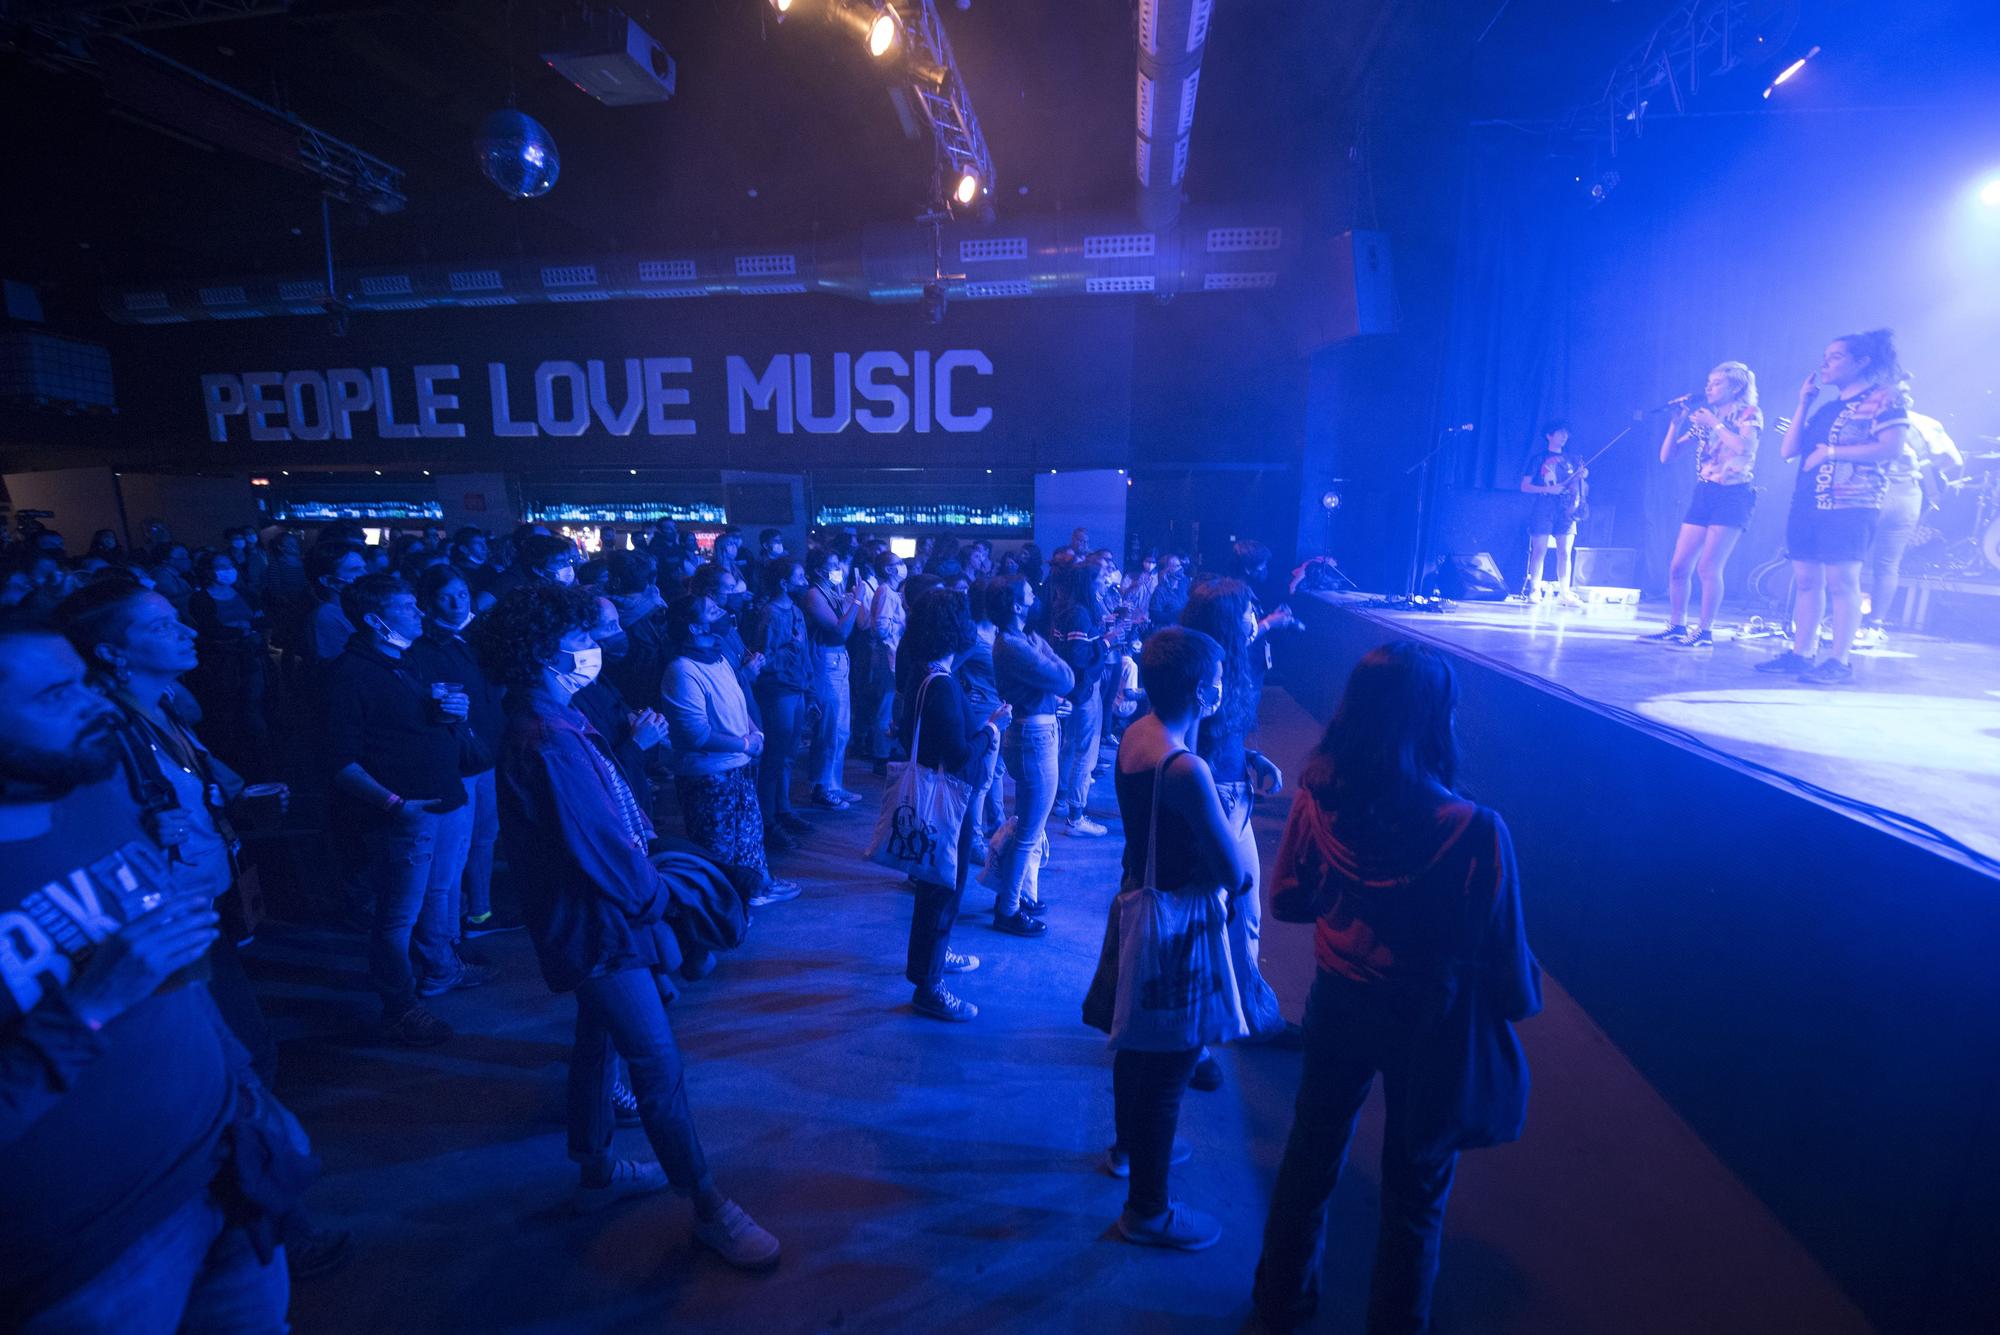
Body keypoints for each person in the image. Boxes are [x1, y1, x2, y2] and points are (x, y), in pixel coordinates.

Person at [467, 585, 781, 1265]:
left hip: (588, 920)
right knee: (656, 1063)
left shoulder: (550, 716)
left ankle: (597, 1168)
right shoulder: (547, 735)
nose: (593, 648)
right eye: (580, 637)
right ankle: (707, 1205)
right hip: (598, 927)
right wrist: (661, 902)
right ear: (545, 652)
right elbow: (601, 848)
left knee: (596, 1040)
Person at [0, 624, 299, 1331]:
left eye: (81, 678)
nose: (92, 701)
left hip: (220, 1175)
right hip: (84, 1257)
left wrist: (249, 1096)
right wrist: (87, 1006)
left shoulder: (93, 791)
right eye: (54, 693)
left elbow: (182, 977)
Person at [1251, 642, 1541, 1335]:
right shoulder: (1475, 830)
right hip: (1429, 1022)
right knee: (1416, 1193)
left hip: (1340, 997)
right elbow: (1505, 958)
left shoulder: (1319, 794)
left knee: (1311, 1154)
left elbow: (1288, 898)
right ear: (1435, 717)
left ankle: (1278, 1307)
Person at [1085, 626, 1252, 1251]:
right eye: (1215, 677)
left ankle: (1130, 1152)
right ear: (1201, 688)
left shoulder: (1139, 735)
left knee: (1136, 1047)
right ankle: (1148, 1212)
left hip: (1138, 905)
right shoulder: (1186, 768)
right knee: (1171, 1062)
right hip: (1177, 924)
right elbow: (1233, 871)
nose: (1221, 685)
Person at [323, 574, 483, 1046]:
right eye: (408, 607)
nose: (420, 613)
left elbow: (411, 727)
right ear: (375, 619)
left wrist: (453, 714)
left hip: (444, 795)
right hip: (406, 813)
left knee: (441, 893)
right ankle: (400, 1006)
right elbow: (340, 762)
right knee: (397, 918)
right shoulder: (347, 676)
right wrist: (395, 805)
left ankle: (441, 968)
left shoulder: (406, 660)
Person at [1758, 329, 1915, 686]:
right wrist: (1803, 403)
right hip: (1809, 501)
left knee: (1842, 582)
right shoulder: (1828, 407)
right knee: (1806, 580)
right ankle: (1801, 653)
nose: (1825, 364)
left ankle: (1839, 660)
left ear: (1862, 362)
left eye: (1836, 357)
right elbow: (1788, 451)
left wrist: (1833, 452)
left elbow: (1891, 448)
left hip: (1852, 502)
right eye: (1825, 357)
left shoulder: (1884, 398)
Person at [1180, 579, 1292, 1057]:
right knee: (1204, 918)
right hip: (1209, 797)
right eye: (1249, 610)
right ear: (1229, 618)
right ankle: (1195, 1044)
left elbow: (1222, 734)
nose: (1256, 617)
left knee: (1246, 913)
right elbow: (1182, 741)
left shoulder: (1232, 662)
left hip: (1235, 792)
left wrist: (1249, 755)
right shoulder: (1198, 671)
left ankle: (1253, 1016)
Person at [897, 589, 1009, 1022]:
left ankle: (934, 960)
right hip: (948, 801)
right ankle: (929, 986)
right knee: (943, 889)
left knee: (935, 889)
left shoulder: (922, 673)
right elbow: (961, 754)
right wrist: (993, 728)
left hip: (932, 798)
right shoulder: (941, 685)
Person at [661, 594, 801, 910]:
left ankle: (757, 886)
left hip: (737, 764)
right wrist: (744, 743)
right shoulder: (682, 671)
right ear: (695, 628)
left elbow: (738, 700)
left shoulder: (718, 658)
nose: (723, 613)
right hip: (709, 774)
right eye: (713, 611)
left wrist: (754, 732)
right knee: (718, 845)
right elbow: (695, 734)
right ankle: (725, 908)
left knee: (748, 834)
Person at [405, 566, 511, 941]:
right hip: (456, 760)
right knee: (454, 850)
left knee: (485, 836)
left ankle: (479, 911)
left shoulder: (479, 635)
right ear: (427, 602)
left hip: (489, 751)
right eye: (446, 597)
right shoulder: (422, 646)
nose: (456, 604)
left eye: (462, 595)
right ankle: (448, 935)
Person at [1641, 362, 1764, 649]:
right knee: (1679, 565)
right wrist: (1676, 423)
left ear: (1735, 387)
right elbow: (1667, 456)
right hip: (1705, 492)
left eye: (1717, 383)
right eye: (1709, 382)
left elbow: (1745, 448)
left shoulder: (1748, 414)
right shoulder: (1705, 419)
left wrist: (1715, 424)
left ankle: (1705, 630)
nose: (1709, 388)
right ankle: (1676, 624)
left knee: (1709, 567)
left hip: (1733, 494)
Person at [983, 573, 1072, 936]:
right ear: (1017, 606)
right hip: (1034, 737)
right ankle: (1008, 909)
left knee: (1026, 823)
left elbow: (1055, 678)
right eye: (1029, 594)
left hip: (1033, 731)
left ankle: (1012, 893)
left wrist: (1043, 654)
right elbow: (1066, 678)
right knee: (1029, 831)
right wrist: (1044, 651)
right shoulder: (1016, 644)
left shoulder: (1020, 639)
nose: (1037, 596)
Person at [745, 558, 814, 847]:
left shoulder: (796, 610)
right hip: (779, 689)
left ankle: (783, 809)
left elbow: (804, 652)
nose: (805, 579)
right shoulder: (771, 614)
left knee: (788, 754)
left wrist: (809, 687)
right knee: (774, 756)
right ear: (784, 583)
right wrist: (791, 647)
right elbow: (764, 659)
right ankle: (768, 820)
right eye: (799, 575)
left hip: (795, 687)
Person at [185, 547, 272, 775]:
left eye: (230, 566)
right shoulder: (200, 598)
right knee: (228, 708)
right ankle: (235, 757)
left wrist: (241, 628)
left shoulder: (245, 593)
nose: (227, 571)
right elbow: (211, 630)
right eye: (221, 567)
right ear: (208, 571)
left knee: (254, 703)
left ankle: (263, 755)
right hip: (222, 662)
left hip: (252, 658)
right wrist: (243, 628)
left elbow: (263, 620)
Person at [796, 548, 866, 809]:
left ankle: (834, 784)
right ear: (818, 570)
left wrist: (850, 601)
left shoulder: (833, 591)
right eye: (833, 563)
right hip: (826, 660)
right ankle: (821, 786)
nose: (839, 568)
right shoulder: (814, 594)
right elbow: (840, 631)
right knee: (828, 727)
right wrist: (857, 601)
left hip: (839, 660)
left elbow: (855, 623)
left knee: (842, 728)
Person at [1050, 560, 1112, 838]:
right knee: (1084, 752)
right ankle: (1076, 815)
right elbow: (1078, 655)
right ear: (1089, 582)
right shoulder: (1080, 614)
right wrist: (1106, 643)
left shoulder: (1068, 610)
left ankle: (1062, 800)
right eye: (1101, 576)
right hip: (1083, 690)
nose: (1106, 579)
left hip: (1072, 689)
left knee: (1070, 745)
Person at [1517, 418, 1586, 607]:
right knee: (1539, 550)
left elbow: (1577, 487)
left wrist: (1579, 485)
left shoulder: (1572, 460)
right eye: (1560, 432)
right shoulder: (1538, 459)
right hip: (1543, 507)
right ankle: (1534, 590)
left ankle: (1565, 592)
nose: (1564, 436)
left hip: (1566, 509)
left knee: (1565, 552)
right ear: (1549, 436)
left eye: (1566, 433)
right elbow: (1524, 486)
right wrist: (1547, 489)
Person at [604, 549, 672, 711]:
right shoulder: (660, 608)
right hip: (662, 693)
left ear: (615, 580)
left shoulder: (602, 614)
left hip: (624, 697)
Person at [862, 550, 909, 774]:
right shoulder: (885, 592)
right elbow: (880, 628)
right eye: (898, 563)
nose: (903, 566)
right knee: (885, 707)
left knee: (889, 705)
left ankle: (886, 751)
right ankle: (881, 757)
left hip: (889, 656)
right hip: (886, 656)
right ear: (889, 569)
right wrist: (898, 629)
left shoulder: (891, 592)